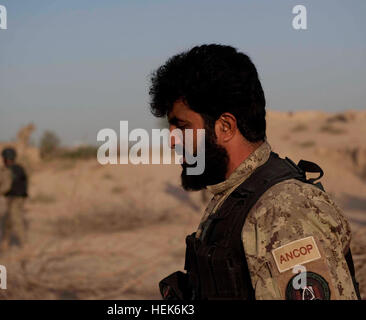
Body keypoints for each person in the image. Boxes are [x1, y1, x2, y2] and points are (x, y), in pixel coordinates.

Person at [149, 44, 361, 300]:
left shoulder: (285, 211)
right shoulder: (235, 198)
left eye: (182, 127)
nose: (172, 140)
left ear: (225, 127)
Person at [0, 147, 28, 249]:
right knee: (7, 221)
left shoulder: (7, 170)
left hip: (14, 199)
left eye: (3, 158)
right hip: (20, 198)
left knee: (16, 220)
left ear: (6, 158)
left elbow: (6, 186)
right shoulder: (19, 168)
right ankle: (5, 242)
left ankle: (25, 245)